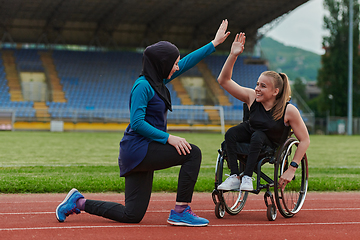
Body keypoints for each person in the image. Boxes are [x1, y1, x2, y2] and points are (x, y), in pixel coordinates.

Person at [55, 20, 231, 227]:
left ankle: (79, 202)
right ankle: (181, 210)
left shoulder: (158, 79)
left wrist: (214, 43)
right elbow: (136, 123)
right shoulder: (143, 86)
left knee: (132, 215)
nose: (177, 67)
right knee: (193, 153)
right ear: (162, 64)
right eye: (174, 63)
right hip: (138, 149)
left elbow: (187, 63)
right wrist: (169, 138)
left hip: (143, 151)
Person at [216, 32, 310, 192]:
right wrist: (233, 55)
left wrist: (292, 168)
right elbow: (223, 81)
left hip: (270, 146)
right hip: (251, 138)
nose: (257, 89)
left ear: (275, 92)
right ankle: (235, 177)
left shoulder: (288, 110)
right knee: (231, 133)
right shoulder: (252, 97)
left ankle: (247, 177)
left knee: (258, 135)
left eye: (263, 86)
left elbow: (305, 140)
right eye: (257, 84)